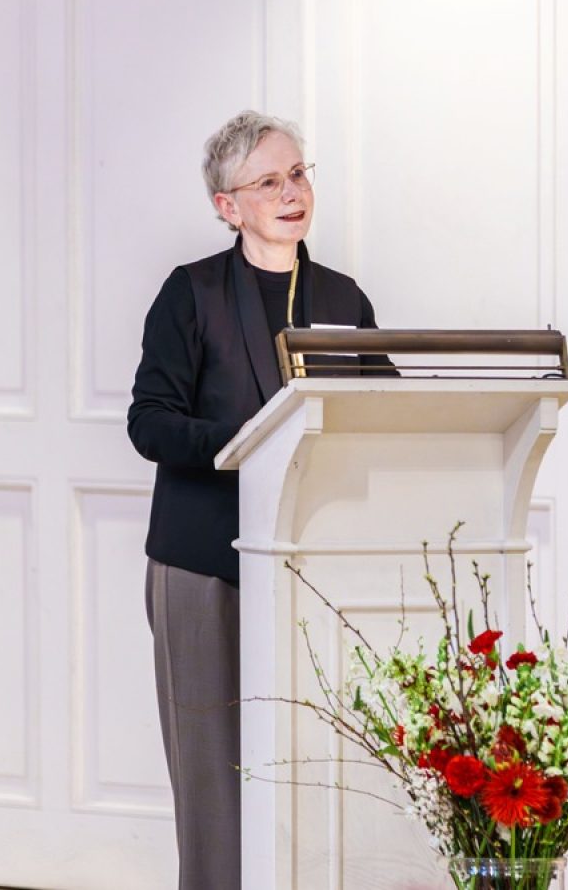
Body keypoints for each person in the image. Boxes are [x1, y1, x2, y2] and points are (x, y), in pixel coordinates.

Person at [127, 110, 396, 890]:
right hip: (204, 561)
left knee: (316, 765)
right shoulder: (191, 294)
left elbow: (382, 411)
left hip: (319, 566)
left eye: (299, 173)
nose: (291, 191)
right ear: (228, 206)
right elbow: (151, 422)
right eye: (269, 180)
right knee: (213, 775)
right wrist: (252, 439)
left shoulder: (345, 297)